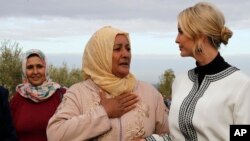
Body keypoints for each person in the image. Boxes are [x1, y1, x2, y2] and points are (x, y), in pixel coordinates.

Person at [143, 2, 250, 141]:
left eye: (181, 31)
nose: (176, 39)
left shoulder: (241, 85)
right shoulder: (181, 81)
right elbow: (177, 138)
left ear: (200, 35)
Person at [46, 26, 169, 141]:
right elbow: (55, 134)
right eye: (117, 49)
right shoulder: (79, 93)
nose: (125, 54)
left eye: (128, 48)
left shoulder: (150, 93)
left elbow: (172, 135)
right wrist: (104, 112)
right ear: (99, 54)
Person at [10, 49, 67, 141]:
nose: (35, 72)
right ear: (24, 70)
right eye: (30, 67)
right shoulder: (17, 99)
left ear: (46, 68)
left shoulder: (63, 96)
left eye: (39, 66)